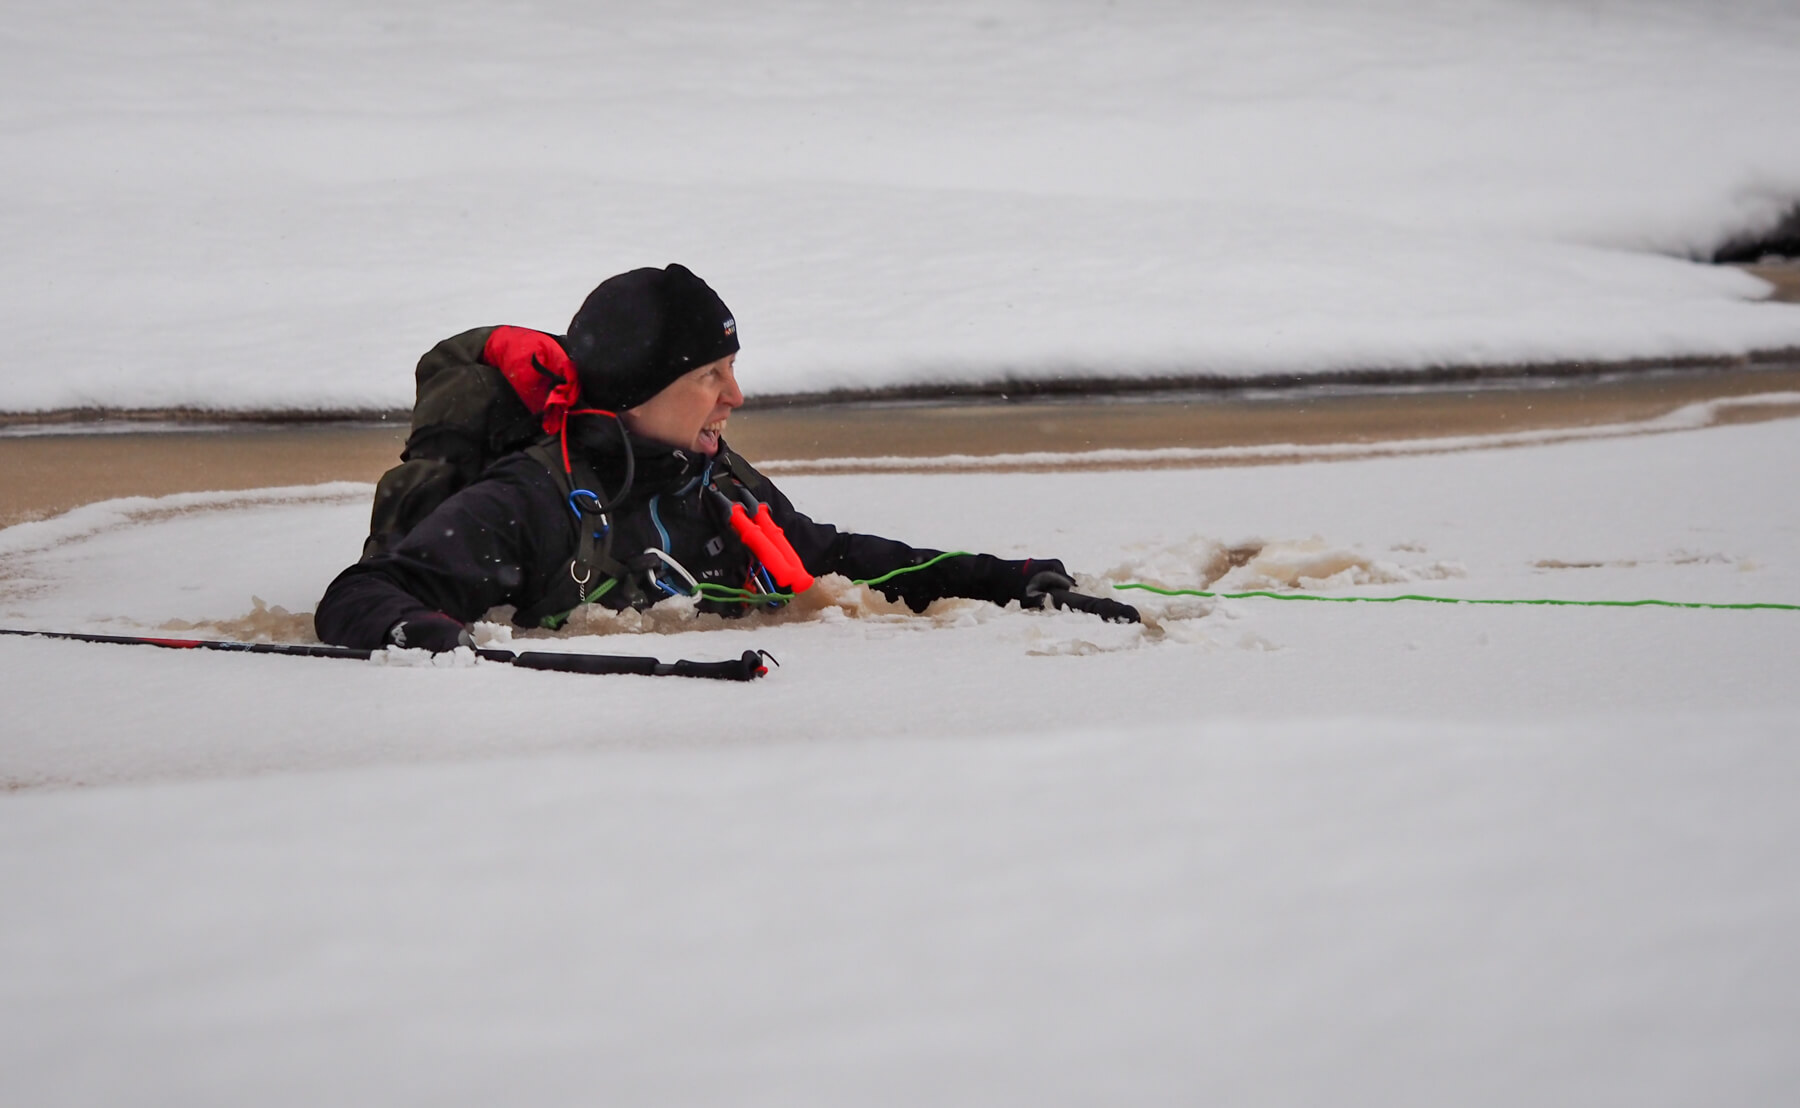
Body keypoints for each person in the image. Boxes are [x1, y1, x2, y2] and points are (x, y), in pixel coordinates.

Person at [314, 264, 1137, 652]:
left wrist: (1005, 579)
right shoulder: (528, 497)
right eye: (709, 376)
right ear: (637, 391)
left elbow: (836, 558)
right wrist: (433, 638)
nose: (735, 396)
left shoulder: (712, 479)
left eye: (732, 369)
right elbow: (360, 595)